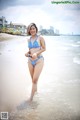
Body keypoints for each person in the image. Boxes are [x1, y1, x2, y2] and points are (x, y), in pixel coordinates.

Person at [25, 23, 46, 101]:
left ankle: (31, 99)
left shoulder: (40, 38)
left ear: (36, 29)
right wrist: (27, 53)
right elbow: (30, 50)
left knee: (34, 80)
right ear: (29, 30)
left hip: (39, 60)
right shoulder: (29, 39)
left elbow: (44, 48)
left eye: (33, 28)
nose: (32, 30)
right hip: (30, 61)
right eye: (30, 29)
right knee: (33, 80)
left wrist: (36, 53)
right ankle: (36, 93)